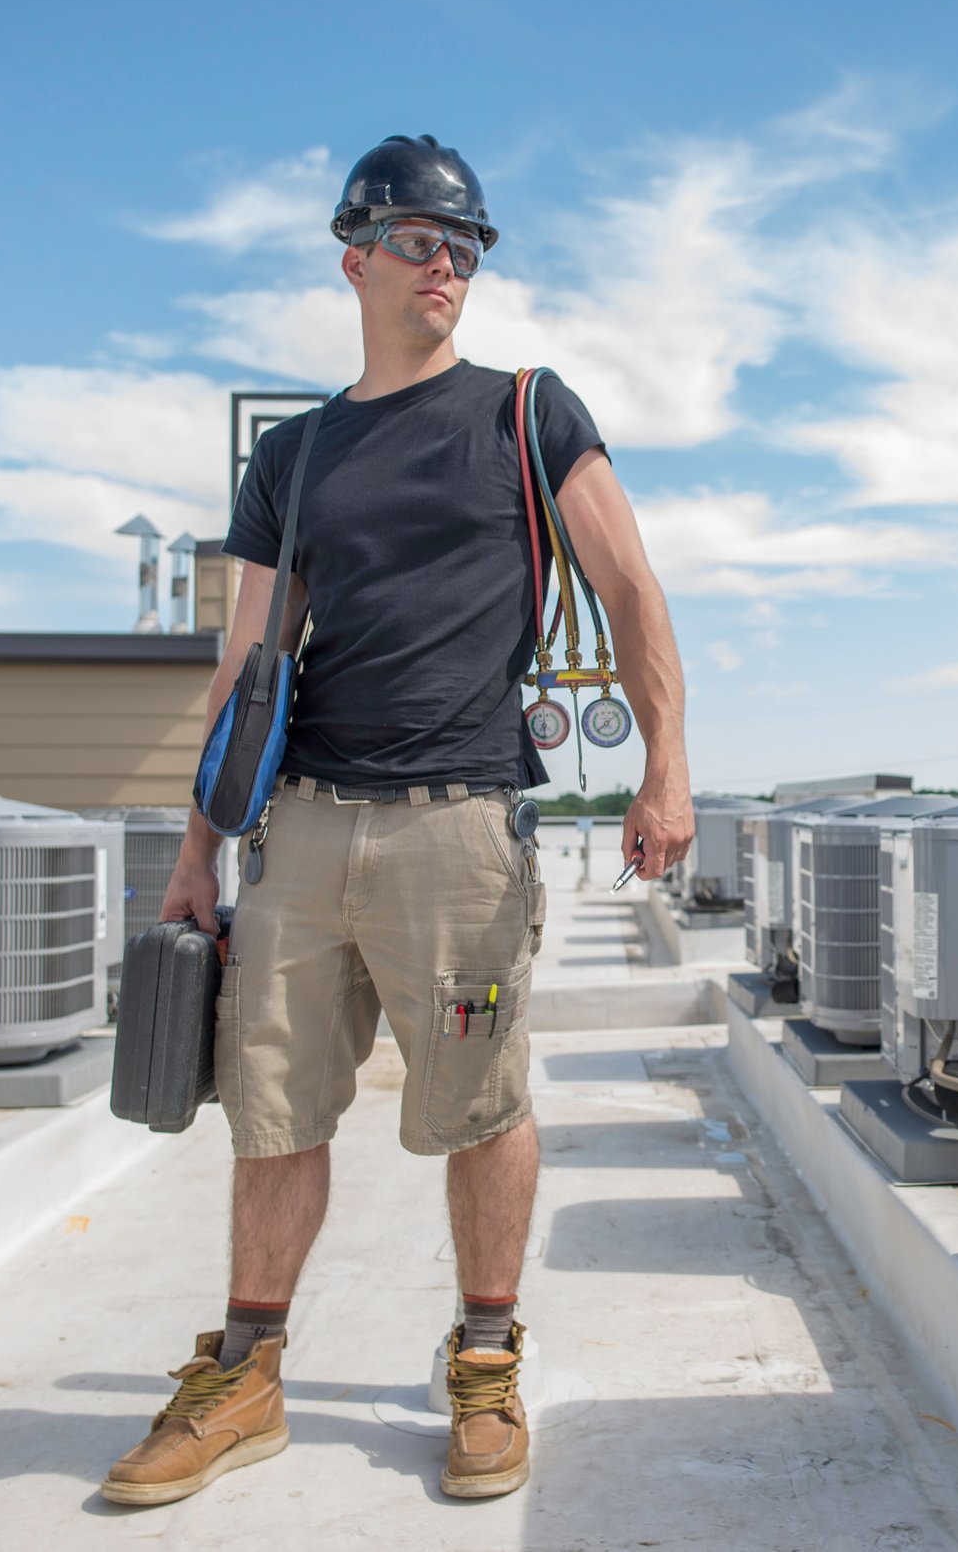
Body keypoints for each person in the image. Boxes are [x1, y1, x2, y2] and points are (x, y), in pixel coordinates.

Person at [100, 134, 693, 1507]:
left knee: (483, 1108)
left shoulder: (528, 412)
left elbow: (635, 589)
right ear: (355, 251)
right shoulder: (295, 459)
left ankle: (485, 1365)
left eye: (469, 247)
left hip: (461, 829)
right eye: (424, 241)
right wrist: (197, 850)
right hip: (299, 834)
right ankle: (246, 1376)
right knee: (272, 1111)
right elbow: (243, 666)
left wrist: (666, 769)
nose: (450, 267)